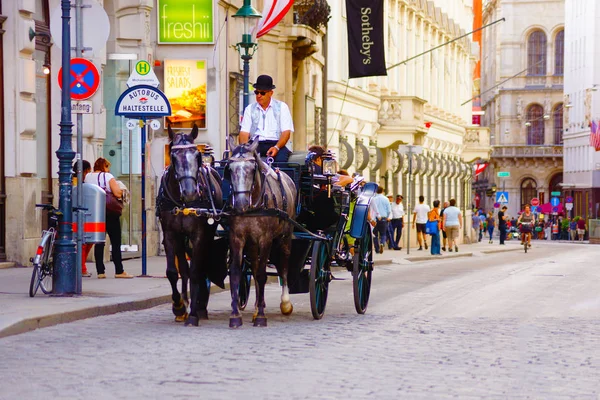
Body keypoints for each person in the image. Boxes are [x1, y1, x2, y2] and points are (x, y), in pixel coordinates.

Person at [84, 158, 133, 279]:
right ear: (103, 166)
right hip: (110, 212)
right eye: (107, 166)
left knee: (99, 242)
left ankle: (100, 271)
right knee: (115, 241)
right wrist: (123, 192)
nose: (108, 169)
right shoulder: (107, 176)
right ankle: (119, 271)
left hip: (95, 213)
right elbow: (116, 193)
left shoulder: (88, 177)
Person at [239, 75, 293, 163]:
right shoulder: (250, 109)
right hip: (255, 144)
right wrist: (246, 150)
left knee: (281, 164)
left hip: (277, 143)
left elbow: (286, 132)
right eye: (257, 92)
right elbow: (244, 133)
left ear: (270, 93)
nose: (259, 95)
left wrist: (276, 147)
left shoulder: (282, 107)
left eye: (262, 93)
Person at [73, 160, 93, 277]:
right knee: (84, 242)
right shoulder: (77, 183)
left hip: (77, 214)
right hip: (77, 216)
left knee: (85, 242)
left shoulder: (75, 181)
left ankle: (81, 266)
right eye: (87, 171)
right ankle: (81, 267)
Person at [371, 186, 392, 254]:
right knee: (383, 234)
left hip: (375, 218)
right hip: (383, 218)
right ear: (382, 191)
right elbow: (389, 210)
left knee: (375, 234)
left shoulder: (373, 198)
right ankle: (382, 243)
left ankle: (377, 249)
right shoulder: (386, 199)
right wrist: (387, 217)